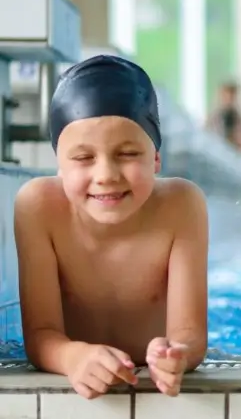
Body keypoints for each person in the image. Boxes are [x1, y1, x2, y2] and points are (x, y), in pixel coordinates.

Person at [16, 55, 210, 399]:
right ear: (58, 163)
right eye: (83, 158)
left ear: (156, 158)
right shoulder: (38, 207)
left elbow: (190, 335)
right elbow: (41, 333)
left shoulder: (181, 205)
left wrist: (176, 355)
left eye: (127, 154)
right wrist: (72, 357)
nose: (106, 175)